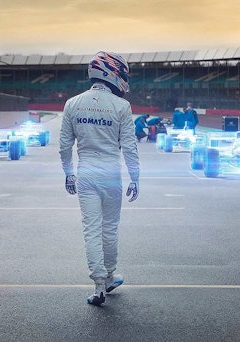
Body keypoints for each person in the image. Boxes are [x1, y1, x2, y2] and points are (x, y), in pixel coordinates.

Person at [59, 51, 140, 306]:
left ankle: (98, 287)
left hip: (85, 173)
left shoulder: (73, 103)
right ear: (113, 72)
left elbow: (64, 145)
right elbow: (129, 146)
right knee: (109, 229)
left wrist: (68, 173)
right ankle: (110, 275)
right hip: (111, 174)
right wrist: (135, 178)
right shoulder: (122, 106)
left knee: (91, 230)